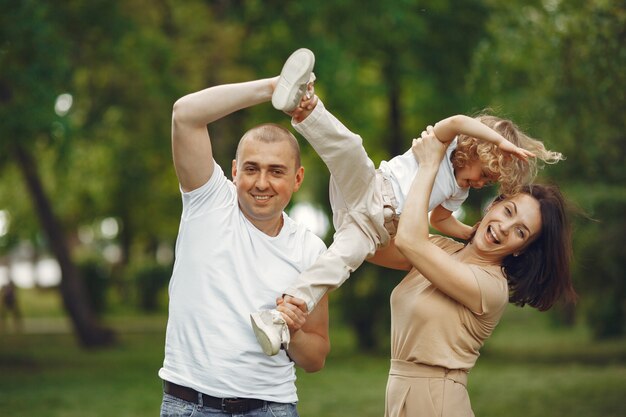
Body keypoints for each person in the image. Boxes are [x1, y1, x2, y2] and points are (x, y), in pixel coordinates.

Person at [250, 48, 563, 356]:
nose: (481, 184)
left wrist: (470, 232)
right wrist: (499, 139)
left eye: (487, 183)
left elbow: (440, 220)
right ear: (474, 149)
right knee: (350, 148)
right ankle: (304, 105)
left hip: (371, 229)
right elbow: (456, 121)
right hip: (369, 189)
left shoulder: (459, 192)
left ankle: (279, 317)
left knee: (339, 264)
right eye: (483, 174)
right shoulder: (442, 144)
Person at [158, 68, 330, 417]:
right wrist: (273, 88)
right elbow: (185, 114)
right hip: (190, 404)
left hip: (271, 408)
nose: (261, 182)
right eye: (251, 169)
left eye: (276, 171)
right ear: (234, 171)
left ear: (297, 179)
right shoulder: (208, 201)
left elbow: (315, 358)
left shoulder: (310, 250)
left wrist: (292, 331)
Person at [370, 130, 577, 416]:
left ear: (521, 249)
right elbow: (371, 246)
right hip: (401, 394)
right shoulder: (443, 248)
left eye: (520, 231)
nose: (505, 227)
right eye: (508, 212)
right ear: (493, 205)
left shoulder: (491, 287)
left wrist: (430, 165)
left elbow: (409, 240)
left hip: (437, 400)